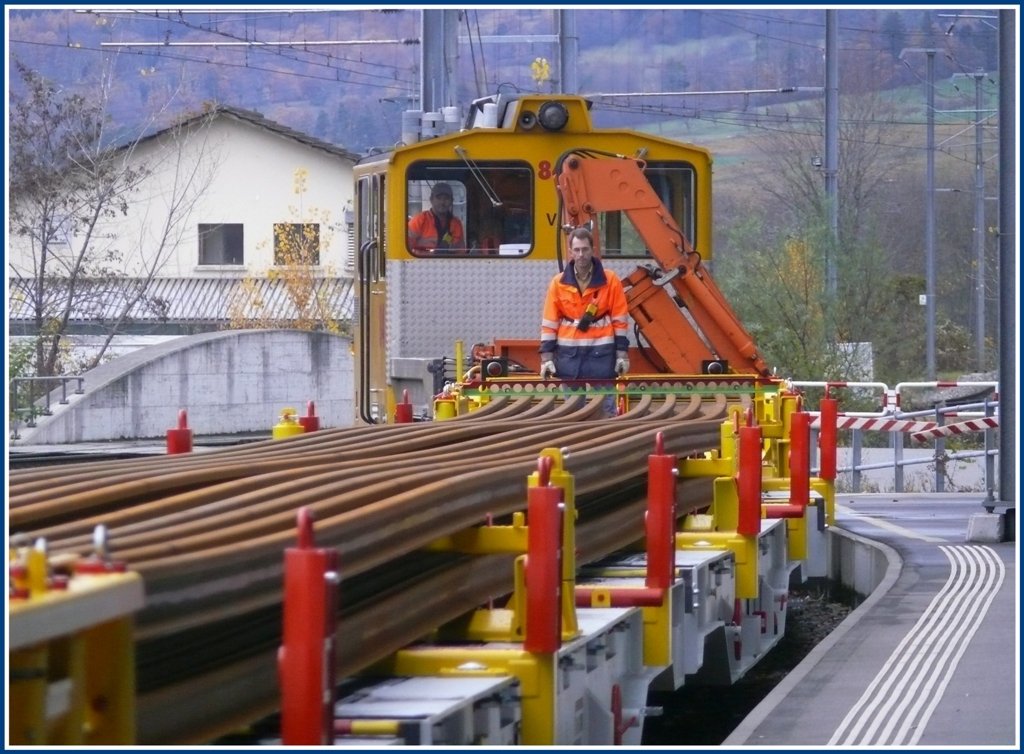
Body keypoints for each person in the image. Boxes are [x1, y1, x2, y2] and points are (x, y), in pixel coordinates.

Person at [539, 226, 630, 414]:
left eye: (585, 249)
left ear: (593, 250)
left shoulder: (610, 280)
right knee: (572, 413)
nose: (581, 254)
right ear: (570, 252)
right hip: (569, 356)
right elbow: (549, 323)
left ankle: (610, 441)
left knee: (607, 410)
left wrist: (622, 355)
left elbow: (620, 321)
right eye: (577, 250)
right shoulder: (558, 283)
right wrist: (546, 359)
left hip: (601, 355)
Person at [407, 182, 465, 253]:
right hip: (421, 263)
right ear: (431, 199)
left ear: (452, 201)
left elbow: (460, 252)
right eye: (438, 198)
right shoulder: (419, 220)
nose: (442, 202)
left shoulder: (456, 224)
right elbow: (405, 247)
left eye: (446, 198)